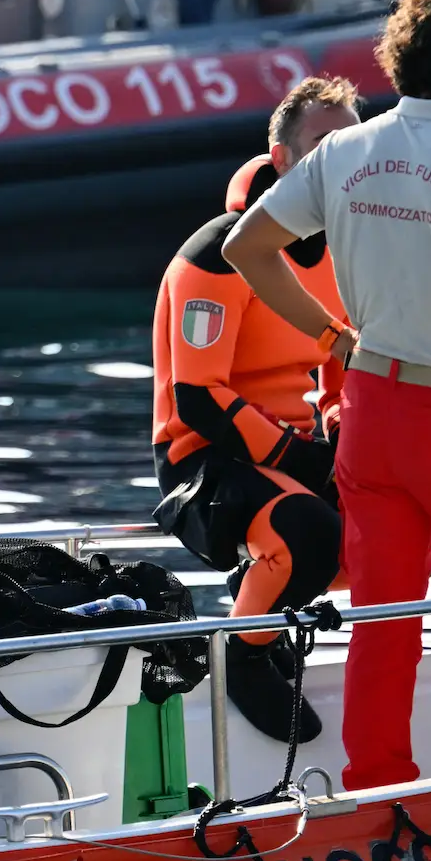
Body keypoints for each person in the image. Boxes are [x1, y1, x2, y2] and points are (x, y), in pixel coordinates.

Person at [226, 0, 431, 790]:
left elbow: (246, 247)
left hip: (368, 412)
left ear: (398, 61)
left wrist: (332, 333)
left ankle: (380, 795)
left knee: (385, 621)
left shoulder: (344, 150)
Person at [151, 76, 360, 743]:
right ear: (283, 161)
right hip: (202, 456)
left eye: (356, 145)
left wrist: (345, 441)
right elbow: (199, 398)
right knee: (309, 527)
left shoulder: (346, 253)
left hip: (293, 443)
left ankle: (278, 605)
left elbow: (340, 373)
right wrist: (299, 458)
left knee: (427, 514)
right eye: (328, 146)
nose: (345, 161)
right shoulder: (216, 254)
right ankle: (242, 653)